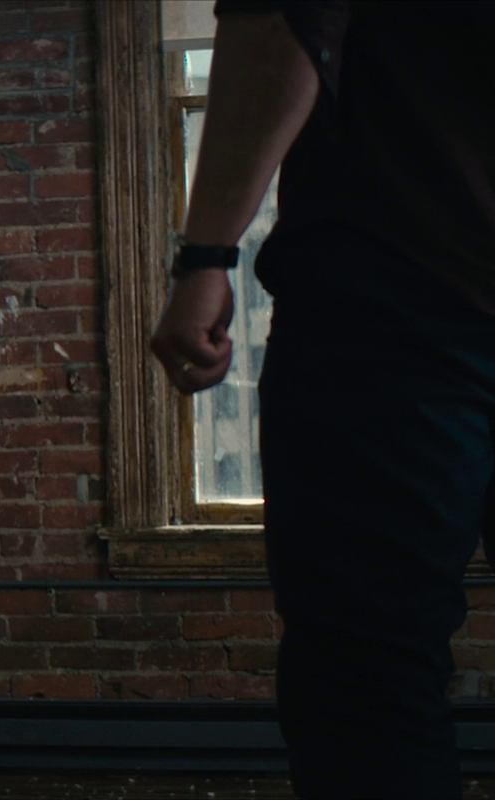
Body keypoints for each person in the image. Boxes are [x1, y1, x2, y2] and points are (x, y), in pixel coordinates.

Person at [151, 2, 495, 796]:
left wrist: (206, 256)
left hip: (400, 289)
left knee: (369, 682)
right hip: (412, 297)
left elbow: (283, 28)